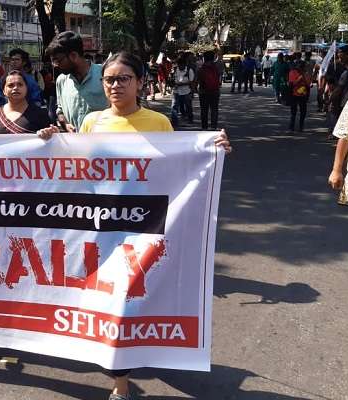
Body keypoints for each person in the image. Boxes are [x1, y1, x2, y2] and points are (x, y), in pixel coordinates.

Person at [77, 51, 231, 400]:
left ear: (140, 82)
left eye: (123, 79)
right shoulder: (91, 123)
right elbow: (76, 171)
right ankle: (121, 376)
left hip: (145, 225)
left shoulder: (158, 123)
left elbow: (180, 167)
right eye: (110, 80)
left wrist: (214, 151)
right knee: (111, 298)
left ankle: (122, 374)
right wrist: (48, 142)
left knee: (131, 297)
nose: (115, 85)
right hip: (102, 227)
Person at [46, 31, 107, 132]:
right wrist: (65, 124)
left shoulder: (105, 75)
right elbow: (60, 111)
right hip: (74, 144)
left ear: (74, 55)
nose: (55, 65)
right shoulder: (61, 81)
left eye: (58, 60)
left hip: (104, 142)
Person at [0, 70, 54, 135]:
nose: (15, 88)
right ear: (3, 91)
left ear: (26, 88)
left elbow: (52, 141)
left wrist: (49, 133)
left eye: (20, 84)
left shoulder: (40, 114)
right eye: (10, 85)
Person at [197, 51, 221, 130]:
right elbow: (219, 77)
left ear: (204, 58)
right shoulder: (217, 67)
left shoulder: (201, 68)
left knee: (204, 110)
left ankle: (204, 127)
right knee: (214, 109)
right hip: (215, 91)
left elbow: (199, 80)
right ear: (213, 57)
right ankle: (213, 127)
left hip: (203, 92)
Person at [170, 54, 195, 127]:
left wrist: (192, 92)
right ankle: (174, 122)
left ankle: (190, 119)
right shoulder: (174, 70)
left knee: (188, 106)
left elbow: (191, 81)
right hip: (176, 91)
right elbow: (171, 79)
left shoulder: (189, 70)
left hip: (186, 91)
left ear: (185, 64)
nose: (180, 67)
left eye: (182, 65)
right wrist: (173, 83)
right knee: (174, 106)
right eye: (179, 65)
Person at [288, 60, 309, 131]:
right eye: (301, 67)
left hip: (303, 95)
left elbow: (307, 84)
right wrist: (299, 79)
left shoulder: (305, 73)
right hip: (294, 94)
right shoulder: (292, 72)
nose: (302, 68)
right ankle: (291, 126)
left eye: (303, 67)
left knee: (303, 112)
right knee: (293, 112)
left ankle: (301, 126)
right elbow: (292, 84)